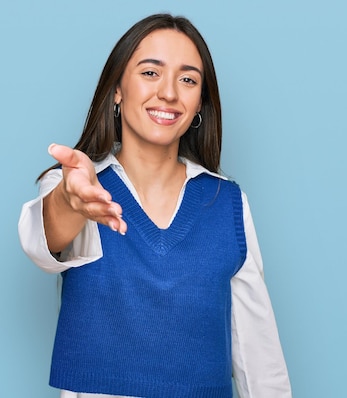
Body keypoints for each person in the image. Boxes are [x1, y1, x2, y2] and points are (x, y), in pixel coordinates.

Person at [18, 13, 291, 398]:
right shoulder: (79, 185)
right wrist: (70, 200)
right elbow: (41, 243)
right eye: (150, 73)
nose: (168, 92)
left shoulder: (227, 202)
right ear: (117, 89)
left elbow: (259, 356)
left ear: (199, 104)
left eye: (188, 79)